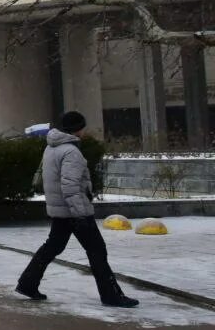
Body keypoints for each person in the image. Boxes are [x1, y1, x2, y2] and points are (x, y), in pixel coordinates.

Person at [16, 111, 138, 307]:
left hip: (60, 210)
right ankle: (111, 295)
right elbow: (70, 185)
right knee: (97, 250)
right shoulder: (71, 152)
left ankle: (27, 283)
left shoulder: (51, 148)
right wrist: (80, 214)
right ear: (78, 128)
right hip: (74, 210)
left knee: (52, 247)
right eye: (83, 127)